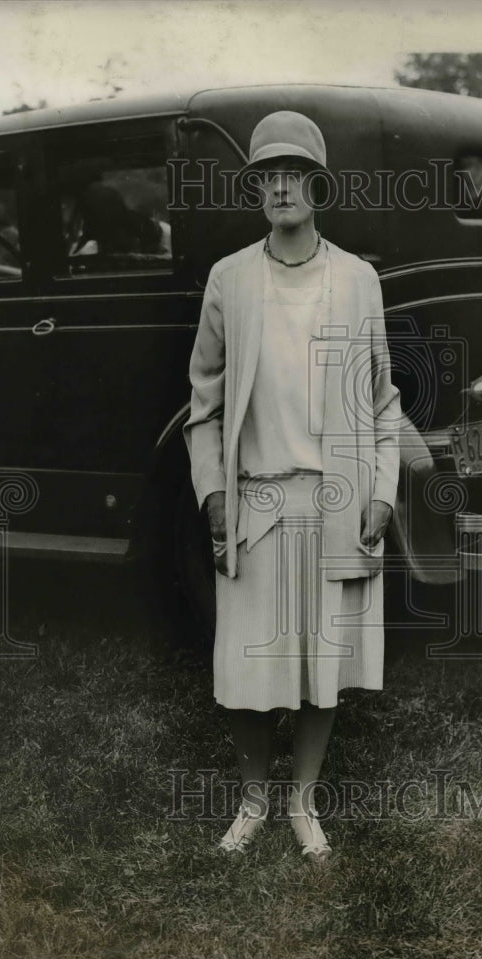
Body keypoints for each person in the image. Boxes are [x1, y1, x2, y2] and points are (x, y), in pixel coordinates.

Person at [183, 111, 401, 861]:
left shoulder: (358, 280)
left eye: (293, 174)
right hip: (257, 503)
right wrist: (214, 493)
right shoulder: (230, 279)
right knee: (247, 663)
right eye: (266, 177)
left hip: (338, 501)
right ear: (257, 190)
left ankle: (303, 801)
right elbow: (204, 404)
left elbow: (382, 402)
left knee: (323, 667)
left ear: (317, 186)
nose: (280, 188)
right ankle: (252, 801)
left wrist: (382, 492)